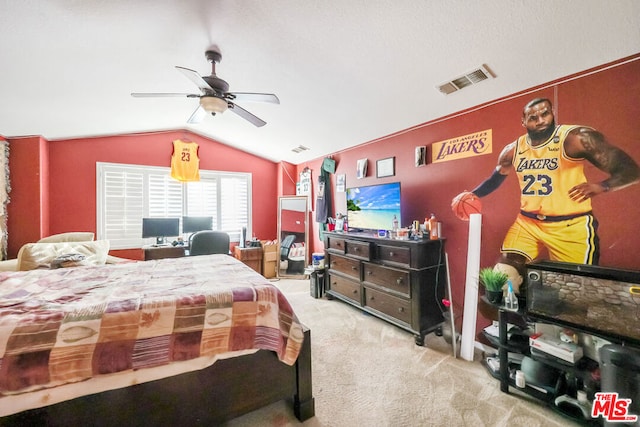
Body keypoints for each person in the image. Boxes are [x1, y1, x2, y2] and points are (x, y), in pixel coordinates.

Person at [455, 98, 639, 270]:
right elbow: (496, 178)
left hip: (570, 224)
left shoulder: (576, 138)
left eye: (545, 114)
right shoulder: (513, 150)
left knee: (575, 290)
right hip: (528, 222)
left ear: (553, 113)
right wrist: (473, 194)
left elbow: (631, 170)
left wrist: (602, 186)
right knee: (503, 275)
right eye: (533, 117)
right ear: (524, 121)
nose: (540, 120)